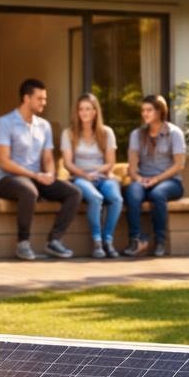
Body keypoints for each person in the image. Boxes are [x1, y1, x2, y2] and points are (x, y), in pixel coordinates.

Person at [0, 78, 81, 260]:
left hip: (35, 177)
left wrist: (49, 174)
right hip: (6, 178)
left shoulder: (44, 126)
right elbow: (3, 161)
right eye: (40, 98)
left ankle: (54, 241)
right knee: (29, 191)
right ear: (26, 98)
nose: (44, 103)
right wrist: (34, 175)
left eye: (45, 99)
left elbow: (48, 157)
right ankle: (23, 243)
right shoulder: (5, 123)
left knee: (74, 193)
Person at [123, 94, 187, 257]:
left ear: (159, 111)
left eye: (149, 110)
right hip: (144, 179)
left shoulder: (174, 133)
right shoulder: (136, 134)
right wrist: (138, 179)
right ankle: (136, 240)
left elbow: (179, 165)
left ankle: (160, 242)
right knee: (132, 192)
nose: (145, 113)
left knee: (158, 194)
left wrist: (157, 179)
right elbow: (132, 166)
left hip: (170, 181)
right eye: (143, 110)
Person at [61, 93, 123, 259]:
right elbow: (67, 163)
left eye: (88, 109)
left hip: (102, 176)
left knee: (117, 199)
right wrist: (84, 174)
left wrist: (98, 172)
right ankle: (97, 242)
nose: (84, 112)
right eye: (81, 109)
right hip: (80, 178)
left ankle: (107, 240)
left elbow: (111, 162)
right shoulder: (69, 133)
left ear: (95, 112)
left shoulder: (106, 133)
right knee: (96, 198)